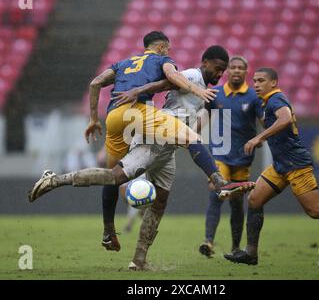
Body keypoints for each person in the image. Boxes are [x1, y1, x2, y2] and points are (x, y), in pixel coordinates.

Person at [27, 46, 255, 269]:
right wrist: (137, 91)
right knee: (116, 176)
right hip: (157, 134)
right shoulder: (193, 75)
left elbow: (214, 106)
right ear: (205, 63)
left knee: (160, 201)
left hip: (169, 148)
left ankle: (139, 260)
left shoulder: (205, 89)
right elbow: (166, 82)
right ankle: (54, 180)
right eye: (217, 68)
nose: (219, 73)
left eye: (222, 70)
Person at [82, 32, 247, 248]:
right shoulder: (167, 63)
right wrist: (195, 90)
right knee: (120, 176)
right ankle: (218, 181)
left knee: (121, 181)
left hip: (115, 116)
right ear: (161, 48)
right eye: (167, 49)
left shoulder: (123, 63)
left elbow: (95, 83)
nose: (169, 53)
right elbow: (171, 78)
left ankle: (113, 235)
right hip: (145, 119)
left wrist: (94, 119)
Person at [224, 68, 319, 266]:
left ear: (273, 83)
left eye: (261, 80)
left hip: (296, 165)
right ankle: (251, 253)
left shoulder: (275, 99)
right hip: (280, 165)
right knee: (255, 200)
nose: (256, 84)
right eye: (254, 80)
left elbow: (286, 118)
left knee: (315, 211)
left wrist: (259, 137)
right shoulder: (267, 102)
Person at [198, 56, 264, 258]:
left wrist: (261, 138)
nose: (236, 71)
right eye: (232, 67)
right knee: (216, 193)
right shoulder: (215, 94)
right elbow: (203, 117)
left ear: (246, 72)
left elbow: (264, 123)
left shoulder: (253, 97)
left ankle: (236, 247)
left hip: (243, 158)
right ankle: (208, 241)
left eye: (240, 68)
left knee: (236, 203)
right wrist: (190, 133)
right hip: (219, 153)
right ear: (227, 71)